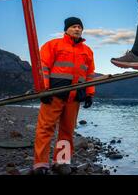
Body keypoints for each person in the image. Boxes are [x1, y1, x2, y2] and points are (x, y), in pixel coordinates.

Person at [32, 17, 95, 175]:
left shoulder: (87, 51)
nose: (77, 29)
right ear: (66, 29)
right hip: (54, 96)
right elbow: (43, 67)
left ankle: (61, 162)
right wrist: (44, 90)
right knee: (45, 129)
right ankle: (40, 165)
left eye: (80, 27)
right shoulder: (53, 45)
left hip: (74, 98)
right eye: (74, 26)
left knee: (67, 131)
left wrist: (89, 94)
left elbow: (89, 74)